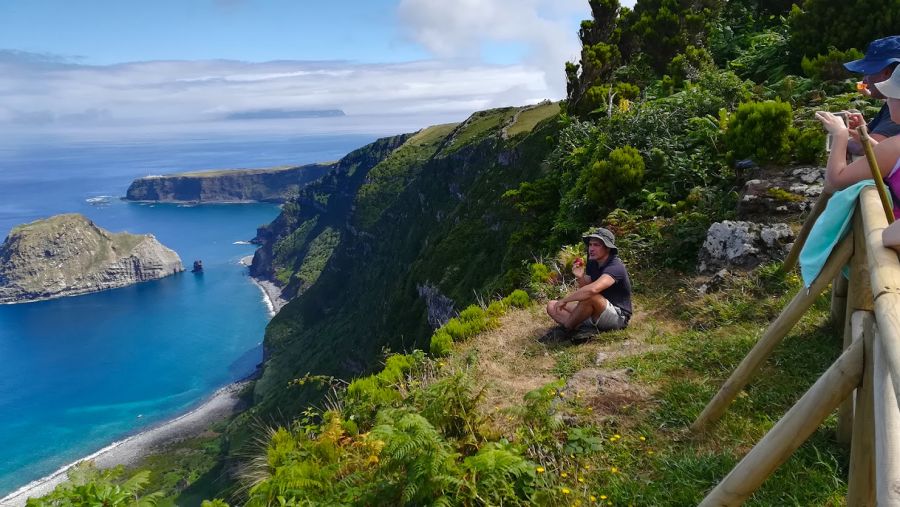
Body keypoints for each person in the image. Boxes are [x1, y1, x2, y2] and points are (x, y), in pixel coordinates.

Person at [816, 65, 900, 220]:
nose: (887, 102)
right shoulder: (892, 147)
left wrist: (840, 134)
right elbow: (887, 157)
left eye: (891, 96)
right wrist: (864, 135)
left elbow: (835, 181)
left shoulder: (894, 145)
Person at [545, 227, 633, 339]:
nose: (591, 248)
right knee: (553, 305)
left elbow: (592, 290)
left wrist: (565, 300)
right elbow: (586, 287)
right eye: (590, 244)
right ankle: (585, 330)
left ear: (608, 249)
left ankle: (565, 330)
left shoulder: (615, 267)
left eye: (596, 245)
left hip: (617, 316)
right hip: (596, 310)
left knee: (590, 296)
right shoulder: (593, 263)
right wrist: (580, 276)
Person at [844, 36, 900, 155]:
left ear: (886, 72)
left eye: (868, 72)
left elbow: (868, 149)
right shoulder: (891, 102)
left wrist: (839, 138)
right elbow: (871, 136)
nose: (864, 81)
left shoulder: (897, 108)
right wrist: (861, 127)